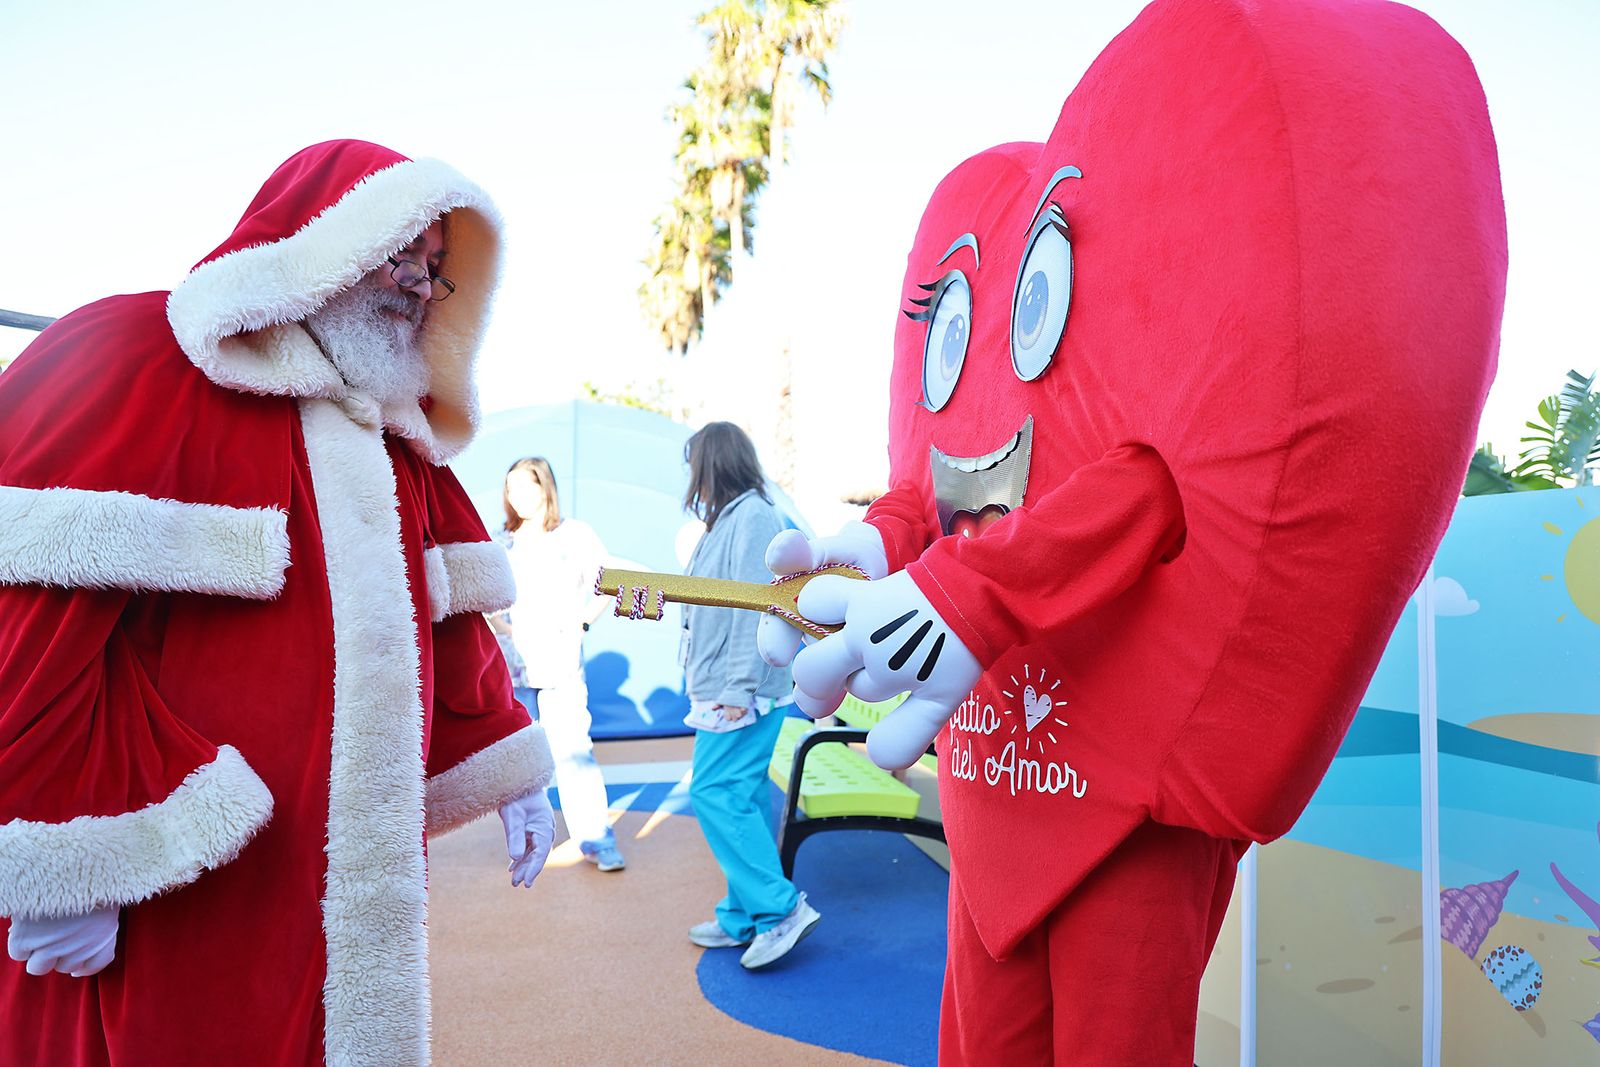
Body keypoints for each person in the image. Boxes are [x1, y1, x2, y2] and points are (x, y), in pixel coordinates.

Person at [757, 0, 1506, 1061]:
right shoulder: (1017, 410)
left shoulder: (1157, 414)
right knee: (980, 1031)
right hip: (995, 784)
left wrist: (968, 594)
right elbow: (943, 465)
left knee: (1117, 1032)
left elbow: (1144, 493)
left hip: (1120, 791)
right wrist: (877, 543)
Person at [0, 140, 560, 1066]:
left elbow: (447, 633)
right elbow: (26, 635)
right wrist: (72, 856)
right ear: (319, 242)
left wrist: (511, 759)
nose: (420, 286)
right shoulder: (136, 358)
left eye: (434, 270)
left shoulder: (397, 442)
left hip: (342, 895)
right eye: (398, 255)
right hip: (175, 888)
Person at [680, 422, 820, 970]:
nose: (691, 477)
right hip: (732, 683)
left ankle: (779, 910)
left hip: (742, 688)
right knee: (741, 794)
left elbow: (751, 606)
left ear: (713, 463)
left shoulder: (752, 515)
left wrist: (738, 685)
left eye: (694, 465)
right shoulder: (733, 517)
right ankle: (745, 915)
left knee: (714, 792)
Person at [498, 456, 624, 871]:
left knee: (573, 752)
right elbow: (484, 599)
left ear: (545, 487)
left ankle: (596, 839)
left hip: (560, 666)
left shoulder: (574, 535)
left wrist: (582, 623)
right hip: (514, 668)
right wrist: (500, 626)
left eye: (526, 486)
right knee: (519, 762)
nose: (518, 497)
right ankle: (526, 842)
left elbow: (610, 583)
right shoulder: (503, 541)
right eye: (511, 488)